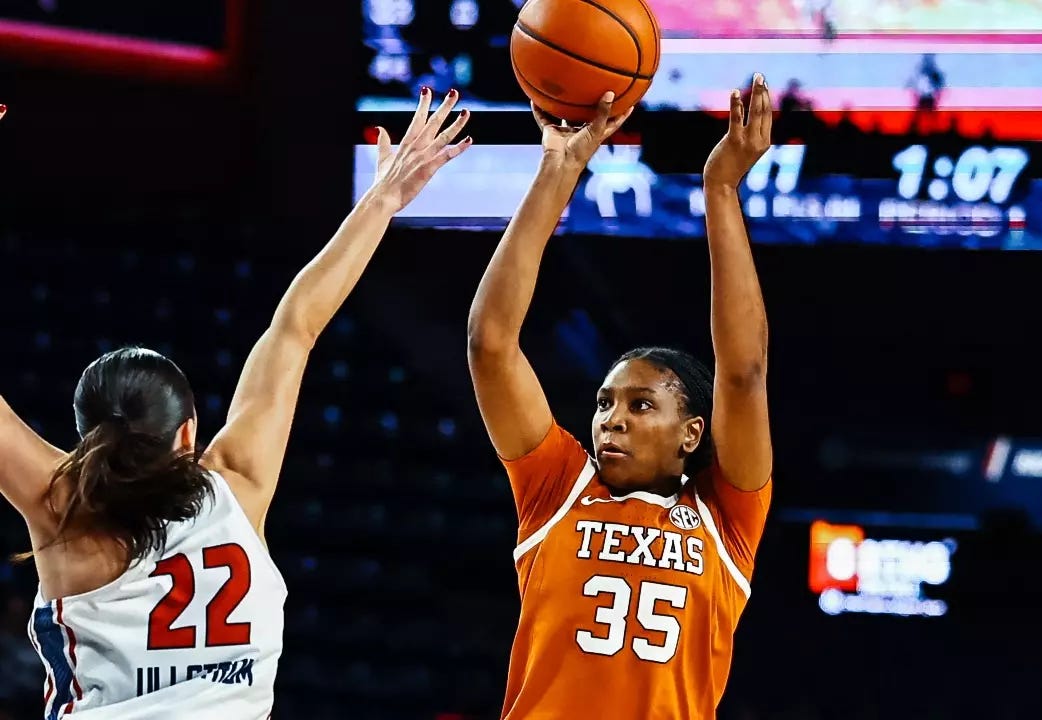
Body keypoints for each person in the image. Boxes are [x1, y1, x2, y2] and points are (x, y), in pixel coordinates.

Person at [0, 87, 471, 720]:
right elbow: (296, 326)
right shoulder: (240, 488)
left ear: (87, 437)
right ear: (189, 432)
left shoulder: (62, 508)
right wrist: (384, 198)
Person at [467, 75, 775, 719]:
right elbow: (490, 342)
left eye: (641, 406)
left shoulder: (727, 522)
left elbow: (743, 371)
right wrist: (558, 169)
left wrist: (720, 189)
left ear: (692, 433)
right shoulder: (559, 487)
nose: (612, 421)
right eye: (606, 403)